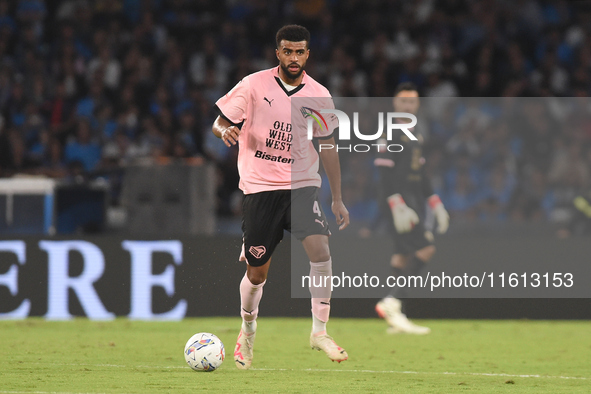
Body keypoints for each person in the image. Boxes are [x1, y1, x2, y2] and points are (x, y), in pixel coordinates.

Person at [212, 25, 350, 369]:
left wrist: (337, 198)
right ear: (278, 53)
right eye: (287, 51)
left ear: (308, 54)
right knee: (258, 273)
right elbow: (219, 121)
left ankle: (320, 331)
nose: (293, 58)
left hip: (302, 185)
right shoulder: (253, 85)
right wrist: (224, 130)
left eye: (300, 52)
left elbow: (329, 146)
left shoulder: (319, 95)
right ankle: (247, 331)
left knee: (320, 250)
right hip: (260, 188)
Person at [374, 82, 450, 334]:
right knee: (426, 248)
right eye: (403, 101)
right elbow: (384, 172)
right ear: (395, 104)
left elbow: (422, 173)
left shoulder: (416, 131)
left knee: (402, 255)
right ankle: (392, 302)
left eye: (412, 102)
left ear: (417, 105)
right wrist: (396, 204)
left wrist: (435, 202)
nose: (408, 105)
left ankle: (397, 318)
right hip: (399, 201)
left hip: (413, 199)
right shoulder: (388, 131)